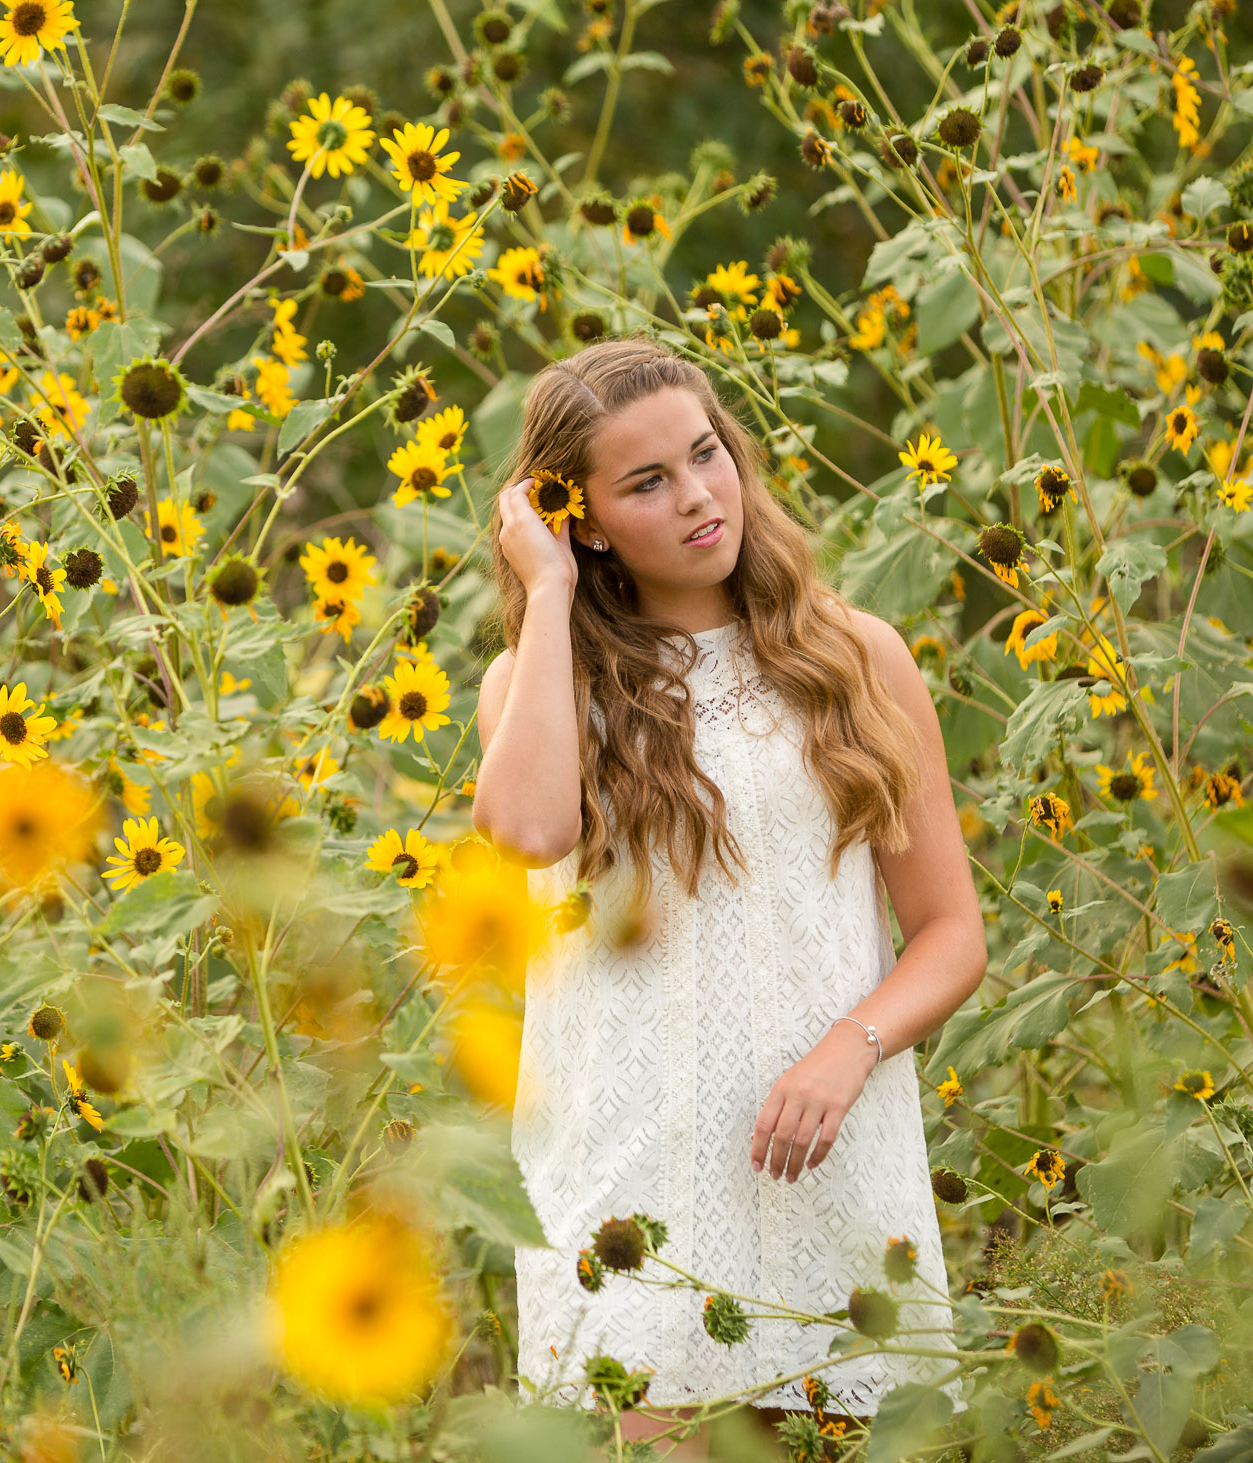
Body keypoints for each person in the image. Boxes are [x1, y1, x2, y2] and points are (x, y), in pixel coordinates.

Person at [470, 337, 986, 1456]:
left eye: (706, 454)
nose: (700, 495)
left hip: (825, 1158)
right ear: (585, 517)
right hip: (628, 1184)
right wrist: (547, 590)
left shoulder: (856, 657)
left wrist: (849, 1049)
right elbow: (526, 829)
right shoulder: (536, 681)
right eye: (647, 481)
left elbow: (949, 932)